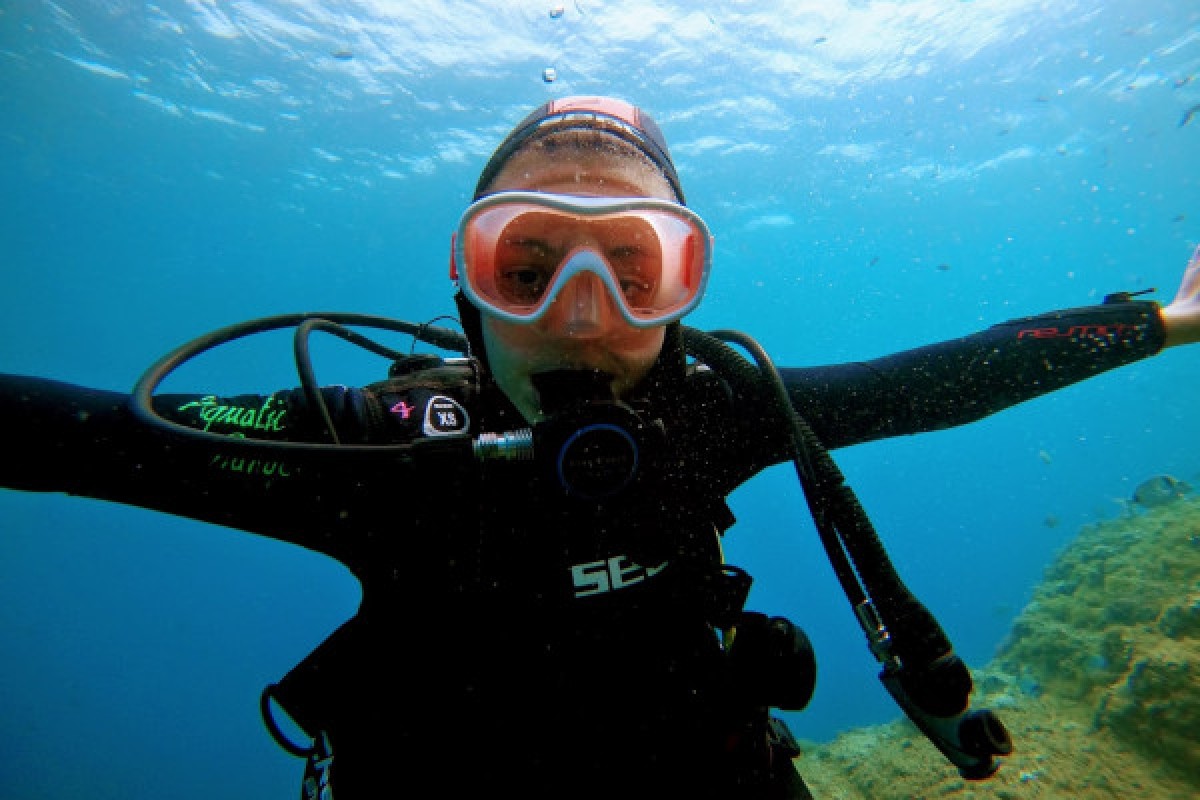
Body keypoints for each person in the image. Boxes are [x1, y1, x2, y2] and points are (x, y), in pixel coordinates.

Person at [2, 95, 1198, 800]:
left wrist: (1161, 319)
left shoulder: (721, 405)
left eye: (635, 270)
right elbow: (84, 436)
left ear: (685, 289)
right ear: (468, 287)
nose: (581, 315)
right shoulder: (372, 447)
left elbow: (943, 379)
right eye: (527, 269)